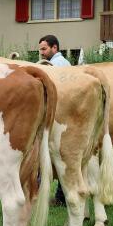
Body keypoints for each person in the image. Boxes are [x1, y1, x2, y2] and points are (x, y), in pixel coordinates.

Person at [38, 34, 70, 205]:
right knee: (63, 155)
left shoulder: (52, 66)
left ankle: (36, 191)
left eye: (44, 49)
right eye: (40, 49)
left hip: (54, 113)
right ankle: (61, 196)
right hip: (66, 114)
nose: (41, 53)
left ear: (54, 48)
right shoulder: (66, 63)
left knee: (45, 152)